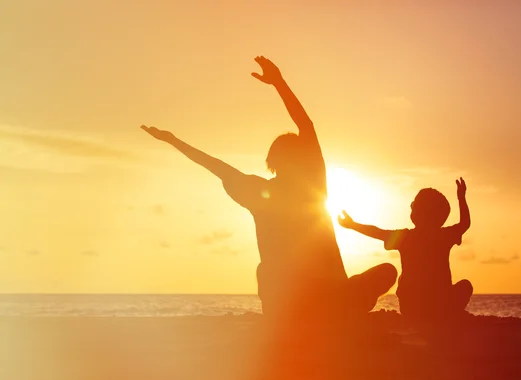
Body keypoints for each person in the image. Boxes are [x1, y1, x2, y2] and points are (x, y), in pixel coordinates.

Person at [141, 56, 396, 321]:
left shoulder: (269, 190)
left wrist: (173, 141)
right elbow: (219, 165)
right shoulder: (308, 186)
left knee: (382, 271)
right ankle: (330, 312)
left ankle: (311, 313)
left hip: (304, 300)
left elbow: (216, 166)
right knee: (385, 271)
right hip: (312, 300)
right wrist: (278, 83)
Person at [338, 178, 473, 323]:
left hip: (411, 306)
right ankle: (449, 314)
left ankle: (440, 314)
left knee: (461, 287)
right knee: (465, 286)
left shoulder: (406, 237)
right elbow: (465, 223)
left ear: (419, 212)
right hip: (439, 305)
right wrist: (461, 197)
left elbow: (377, 232)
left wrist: (353, 225)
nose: (411, 205)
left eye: (414, 205)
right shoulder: (444, 236)